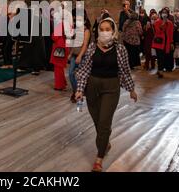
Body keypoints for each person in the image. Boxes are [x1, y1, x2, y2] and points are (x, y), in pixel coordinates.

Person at [75, 18, 137, 172]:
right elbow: (84, 70)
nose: (104, 32)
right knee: (97, 121)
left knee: (104, 121)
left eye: (107, 29)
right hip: (92, 88)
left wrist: (131, 89)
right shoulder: (91, 47)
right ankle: (105, 142)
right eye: (101, 29)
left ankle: (99, 158)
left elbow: (125, 71)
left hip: (111, 88)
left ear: (113, 31)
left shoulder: (121, 49)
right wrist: (80, 90)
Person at [68, 15, 91, 103]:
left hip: (82, 55)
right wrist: (70, 54)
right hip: (74, 54)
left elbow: (85, 45)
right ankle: (75, 91)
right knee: (70, 74)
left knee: (80, 75)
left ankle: (78, 93)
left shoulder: (86, 31)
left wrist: (80, 56)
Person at [17, 8, 47, 75]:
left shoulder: (40, 18)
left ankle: (36, 69)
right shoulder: (35, 18)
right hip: (32, 38)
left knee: (36, 55)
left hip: (37, 38)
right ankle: (24, 67)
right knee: (27, 53)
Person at [152, 8, 174, 78]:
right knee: (160, 57)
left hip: (166, 43)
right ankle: (160, 71)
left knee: (163, 57)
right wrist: (163, 23)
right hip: (159, 42)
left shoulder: (170, 23)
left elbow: (171, 34)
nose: (164, 14)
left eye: (166, 13)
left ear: (168, 14)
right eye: (163, 13)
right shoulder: (157, 22)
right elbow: (158, 32)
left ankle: (159, 69)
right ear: (161, 14)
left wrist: (171, 42)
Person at [50, 10, 69, 91]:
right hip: (65, 46)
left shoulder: (61, 24)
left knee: (58, 68)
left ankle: (59, 85)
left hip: (59, 47)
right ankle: (63, 83)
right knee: (61, 67)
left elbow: (54, 37)